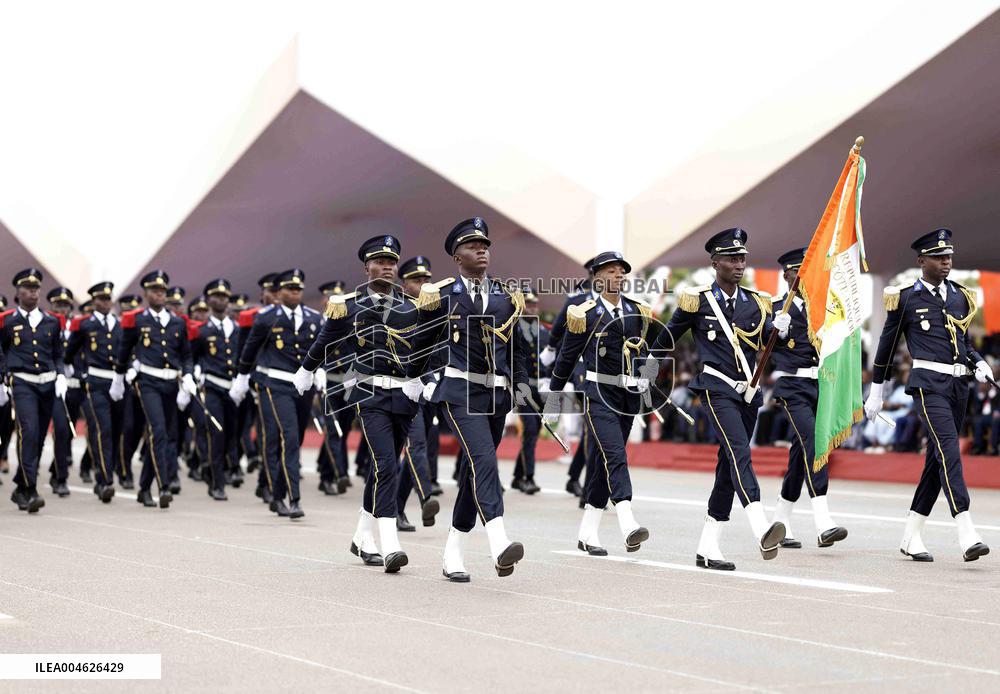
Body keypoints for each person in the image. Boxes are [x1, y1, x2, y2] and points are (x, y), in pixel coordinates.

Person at [654, 228, 786, 570]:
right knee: (740, 451)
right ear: (715, 262)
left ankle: (708, 546)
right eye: (731, 258)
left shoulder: (756, 303)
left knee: (728, 466)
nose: (739, 264)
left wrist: (783, 329)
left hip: (749, 392)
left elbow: (777, 347)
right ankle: (761, 525)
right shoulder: (697, 300)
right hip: (715, 387)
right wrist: (645, 373)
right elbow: (666, 337)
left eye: (742, 258)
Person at [293, 237, 425, 572]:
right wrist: (307, 368)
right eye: (379, 262)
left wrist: (423, 379)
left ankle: (362, 536)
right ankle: (390, 542)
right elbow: (327, 338)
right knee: (386, 465)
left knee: (384, 468)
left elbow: (425, 347)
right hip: (369, 395)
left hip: (404, 395)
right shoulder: (348, 304)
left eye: (392, 262)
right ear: (366, 267)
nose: (387, 267)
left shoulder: (411, 305)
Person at [410, 217, 529, 581]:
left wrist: (521, 386)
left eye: (486, 245)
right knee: (484, 459)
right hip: (458, 389)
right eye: (473, 246)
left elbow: (518, 350)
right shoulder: (441, 295)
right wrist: (423, 379)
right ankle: (498, 541)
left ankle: (453, 551)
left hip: (495, 393)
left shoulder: (506, 297)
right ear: (456, 257)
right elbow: (421, 344)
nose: (482, 250)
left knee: (473, 471)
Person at [866, 228, 990, 562]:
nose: (946, 262)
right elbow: (887, 346)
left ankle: (910, 536)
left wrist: (979, 364)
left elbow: (962, 343)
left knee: (937, 461)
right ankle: (966, 529)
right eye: (938, 257)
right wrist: (877, 390)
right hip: (927, 384)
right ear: (921, 261)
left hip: (957, 387)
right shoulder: (905, 296)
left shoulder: (961, 296)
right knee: (949, 450)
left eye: (948, 256)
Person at [545, 252, 654, 555]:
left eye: (621, 271)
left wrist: (647, 372)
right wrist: (553, 396)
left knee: (600, 464)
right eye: (611, 270)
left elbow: (642, 350)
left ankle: (588, 534)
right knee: (615, 454)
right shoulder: (585, 313)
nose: (618, 275)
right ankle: (628, 521)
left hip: (628, 396)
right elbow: (567, 357)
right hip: (598, 393)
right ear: (597, 277)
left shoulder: (636, 310)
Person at [768, 248, 848, 549]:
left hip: (821, 385)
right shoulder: (777, 308)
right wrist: (772, 329)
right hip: (793, 386)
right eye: (796, 271)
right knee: (814, 444)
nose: (803, 277)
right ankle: (823, 520)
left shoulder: (824, 308)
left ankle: (781, 521)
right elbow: (759, 344)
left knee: (799, 456)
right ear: (786, 276)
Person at [231, 268, 321, 519]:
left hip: (303, 386)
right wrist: (241, 376)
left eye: (298, 289)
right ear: (279, 292)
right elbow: (250, 349)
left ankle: (278, 492)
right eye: (289, 289)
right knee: (289, 437)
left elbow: (319, 347)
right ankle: (294, 498)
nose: (294, 293)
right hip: (275, 383)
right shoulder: (266, 317)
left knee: (297, 438)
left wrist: (320, 370)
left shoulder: (314, 318)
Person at [111, 270, 197, 509]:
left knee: (164, 434)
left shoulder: (178, 322)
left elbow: (186, 354)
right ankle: (164, 485)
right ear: (146, 294)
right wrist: (120, 376)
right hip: (147, 382)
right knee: (158, 430)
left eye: (162, 291)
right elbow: (124, 350)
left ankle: (144, 487)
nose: (159, 295)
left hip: (170, 383)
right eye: (154, 291)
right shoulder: (137, 320)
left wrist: (188, 375)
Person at [0, 268, 67, 513]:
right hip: (23, 382)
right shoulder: (7, 320)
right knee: (29, 431)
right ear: (18, 292)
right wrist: (2, 380)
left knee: (38, 438)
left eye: (36, 288)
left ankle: (20, 487)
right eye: (28, 288)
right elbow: (2, 352)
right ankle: (30, 489)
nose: (33, 292)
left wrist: (60, 375)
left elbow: (58, 353)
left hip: (48, 383)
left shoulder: (51, 321)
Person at [393, 256, 442, 531]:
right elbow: (409, 353)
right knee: (416, 447)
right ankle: (426, 497)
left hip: (431, 390)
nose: (423, 284)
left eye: (427, 279)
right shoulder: (399, 311)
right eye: (417, 280)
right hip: (405, 388)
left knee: (418, 449)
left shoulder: (435, 310)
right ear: (404, 285)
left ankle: (398, 509)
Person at [64, 281, 124, 503]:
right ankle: (105, 479)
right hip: (96, 381)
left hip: (117, 383)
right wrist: (72, 370)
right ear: (94, 301)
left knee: (117, 430)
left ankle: (105, 474)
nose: (105, 303)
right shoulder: (86, 325)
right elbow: (70, 351)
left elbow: (128, 349)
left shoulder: (120, 325)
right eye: (101, 299)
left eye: (108, 299)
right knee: (103, 430)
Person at [190, 279, 240, 500]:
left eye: (225, 297)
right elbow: (192, 357)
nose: (221, 300)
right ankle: (217, 482)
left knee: (232, 434)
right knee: (216, 433)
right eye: (217, 297)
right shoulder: (202, 330)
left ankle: (220, 470)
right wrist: (194, 373)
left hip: (234, 389)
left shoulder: (238, 329)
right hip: (212, 386)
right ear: (209, 300)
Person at [511, 290, 547, 495]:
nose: (533, 307)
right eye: (529, 304)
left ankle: (517, 476)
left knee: (532, 432)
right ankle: (528, 477)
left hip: (540, 389)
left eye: (535, 304)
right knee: (531, 429)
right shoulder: (514, 329)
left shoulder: (544, 331)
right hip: (522, 388)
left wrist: (550, 381)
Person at [47, 286, 81, 497]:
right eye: (57, 305)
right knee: (59, 427)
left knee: (68, 430)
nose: (61, 309)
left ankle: (56, 469)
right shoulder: (45, 323)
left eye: (65, 305)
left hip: (74, 384)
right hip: (50, 383)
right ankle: (61, 477)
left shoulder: (77, 325)